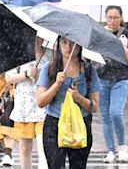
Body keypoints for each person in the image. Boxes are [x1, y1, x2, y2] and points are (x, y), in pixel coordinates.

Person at [36, 37, 100, 169]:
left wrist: (79, 98)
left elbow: (94, 106)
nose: (68, 47)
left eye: (73, 43)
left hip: (80, 124)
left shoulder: (89, 71)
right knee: (55, 165)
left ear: (79, 46)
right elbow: (41, 102)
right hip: (54, 124)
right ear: (58, 44)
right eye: (64, 42)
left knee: (78, 166)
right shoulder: (49, 68)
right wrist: (57, 84)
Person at [5, 36, 51, 169]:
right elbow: (8, 78)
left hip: (43, 105)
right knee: (25, 148)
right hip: (23, 107)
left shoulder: (50, 54)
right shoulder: (19, 53)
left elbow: (54, 76)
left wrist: (42, 76)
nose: (38, 38)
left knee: (44, 148)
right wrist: (26, 74)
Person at [97, 6, 128, 163]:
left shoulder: (126, 34)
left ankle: (122, 146)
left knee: (115, 113)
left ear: (121, 18)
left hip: (121, 77)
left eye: (115, 17)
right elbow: (92, 53)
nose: (112, 20)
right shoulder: (100, 33)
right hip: (102, 77)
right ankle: (111, 150)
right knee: (105, 116)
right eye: (109, 17)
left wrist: (120, 45)